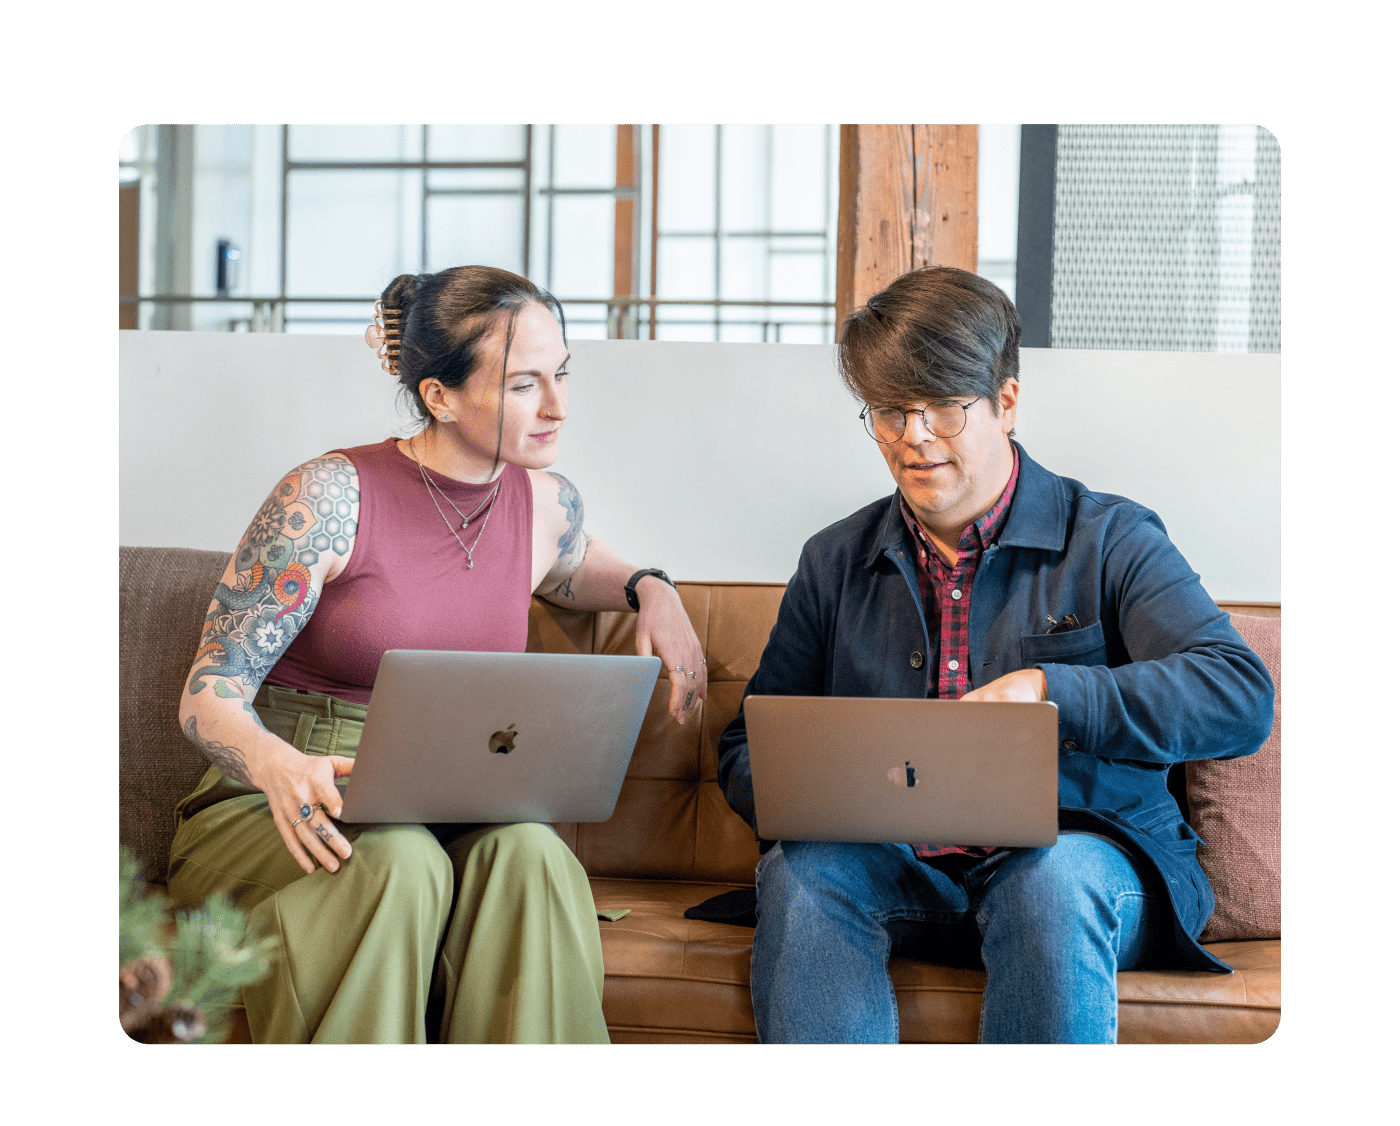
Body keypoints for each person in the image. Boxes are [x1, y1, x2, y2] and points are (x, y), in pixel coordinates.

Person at [716, 266, 1274, 1044]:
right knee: (803, 871)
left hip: (1084, 864)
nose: (912, 437)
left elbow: (1236, 694)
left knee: (1050, 881)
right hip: (897, 863)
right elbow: (745, 748)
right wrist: (819, 785)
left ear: (1006, 400)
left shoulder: (1111, 537)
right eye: (888, 411)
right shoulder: (834, 559)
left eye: (943, 408)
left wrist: (1054, 690)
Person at [168, 265, 708, 1045]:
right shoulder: (327, 497)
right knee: (401, 863)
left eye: (560, 374)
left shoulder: (546, 501)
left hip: (451, 801)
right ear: (439, 396)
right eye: (525, 384)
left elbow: (575, 562)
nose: (558, 405)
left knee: (533, 855)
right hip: (290, 800)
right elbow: (207, 690)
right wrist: (275, 764)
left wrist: (652, 588)